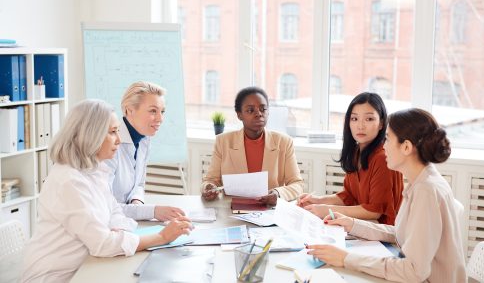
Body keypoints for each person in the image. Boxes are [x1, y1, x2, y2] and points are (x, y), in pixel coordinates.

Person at [21, 100, 192, 283]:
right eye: (112, 132)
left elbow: (115, 212)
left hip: (88, 266)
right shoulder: (69, 181)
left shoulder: (95, 169)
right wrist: (161, 237)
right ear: (90, 135)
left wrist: (116, 233)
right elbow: (102, 244)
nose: (118, 140)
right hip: (57, 276)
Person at [307, 108, 466, 282]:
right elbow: (401, 234)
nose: (384, 146)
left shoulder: (425, 190)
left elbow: (413, 271)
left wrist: (346, 259)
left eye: (388, 139)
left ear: (406, 147)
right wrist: (352, 224)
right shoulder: (421, 180)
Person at [298, 92, 403, 225]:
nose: (360, 126)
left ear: (381, 123)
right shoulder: (356, 152)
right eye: (354, 119)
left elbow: (374, 211)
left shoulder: (382, 158)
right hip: (362, 227)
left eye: (369, 119)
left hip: (384, 234)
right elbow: (349, 196)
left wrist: (326, 209)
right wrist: (317, 200)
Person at [201, 86, 303, 204]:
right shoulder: (223, 142)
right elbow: (211, 180)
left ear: (268, 112)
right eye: (250, 110)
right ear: (239, 115)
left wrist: (278, 194)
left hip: (268, 210)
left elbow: (297, 184)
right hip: (231, 210)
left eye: (263, 109)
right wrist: (208, 187)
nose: (258, 114)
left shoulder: (284, 143)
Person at [106, 81, 186, 221]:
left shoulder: (144, 139)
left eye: (162, 111)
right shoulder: (109, 145)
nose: (160, 119)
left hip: (127, 221)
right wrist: (152, 212)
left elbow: (139, 185)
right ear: (129, 110)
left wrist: (137, 203)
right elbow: (105, 207)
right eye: (153, 111)